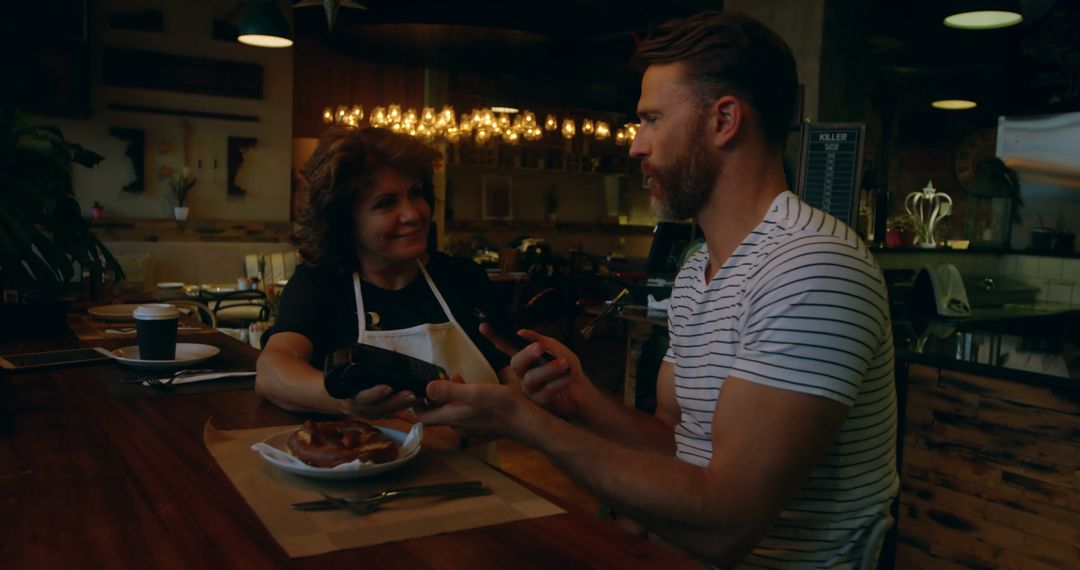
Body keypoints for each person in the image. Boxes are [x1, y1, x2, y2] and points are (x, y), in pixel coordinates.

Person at [416, 12, 898, 568]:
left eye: (651, 120)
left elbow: (726, 525)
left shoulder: (812, 268)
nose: (635, 147)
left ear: (723, 121)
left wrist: (529, 424)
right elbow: (681, 449)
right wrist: (581, 403)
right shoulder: (698, 270)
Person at [256, 127, 511, 452]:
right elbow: (272, 370)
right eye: (386, 203)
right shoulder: (321, 284)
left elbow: (512, 375)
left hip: (486, 483)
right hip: (363, 484)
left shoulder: (462, 278)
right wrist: (346, 403)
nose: (413, 214)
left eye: (416, 193)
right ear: (345, 220)